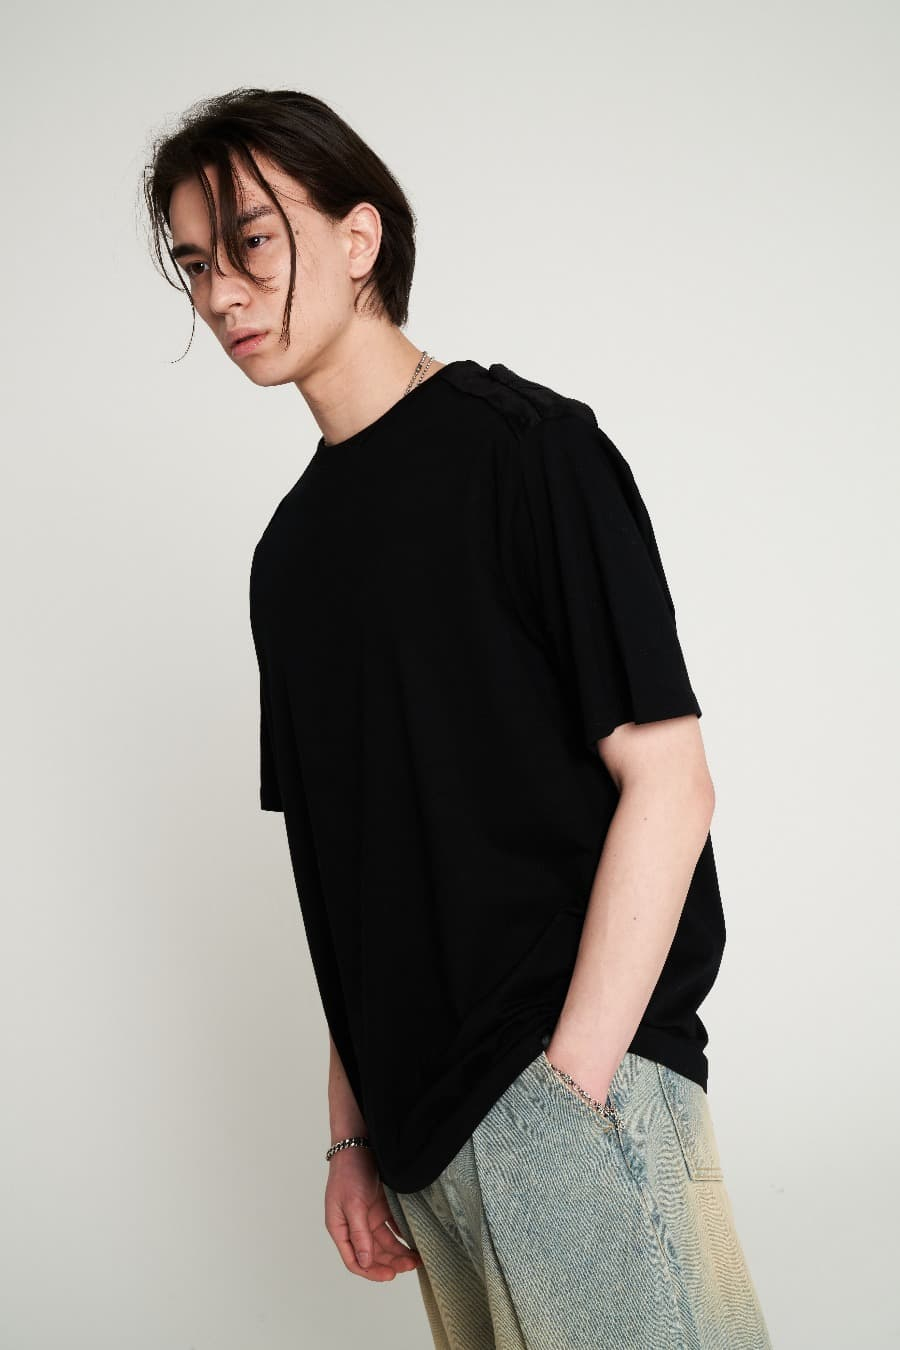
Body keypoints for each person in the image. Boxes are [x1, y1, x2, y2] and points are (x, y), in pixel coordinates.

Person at [143, 87, 773, 1349]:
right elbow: (349, 868)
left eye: (251, 243)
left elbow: (671, 782)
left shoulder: (527, 450)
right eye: (195, 263)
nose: (219, 295)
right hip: (419, 1136)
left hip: (564, 1087)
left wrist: (573, 1079)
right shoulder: (288, 557)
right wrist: (352, 1135)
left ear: (359, 236)